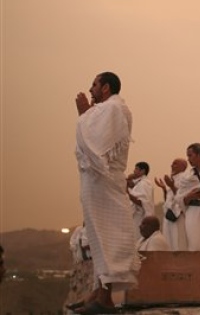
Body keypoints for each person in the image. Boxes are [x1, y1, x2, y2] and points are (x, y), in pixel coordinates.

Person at [74, 71, 140, 314]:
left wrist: (83, 115)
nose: (90, 89)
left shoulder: (112, 109)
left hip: (104, 181)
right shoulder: (107, 110)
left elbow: (95, 147)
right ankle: (98, 293)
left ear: (105, 88)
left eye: (94, 85)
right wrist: (88, 115)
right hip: (98, 183)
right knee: (98, 237)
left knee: (106, 236)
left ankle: (105, 300)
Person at [155, 158, 188, 251]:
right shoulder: (173, 179)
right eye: (172, 163)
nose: (172, 166)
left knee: (179, 244)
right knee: (169, 244)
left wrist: (172, 186)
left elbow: (182, 197)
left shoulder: (185, 178)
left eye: (175, 164)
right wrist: (164, 189)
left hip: (178, 216)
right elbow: (168, 200)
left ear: (183, 167)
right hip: (169, 216)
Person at [127, 161, 155, 235]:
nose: (134, 171)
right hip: (134, 217)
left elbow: (143, 202)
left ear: (142, 171)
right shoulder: (138, 183)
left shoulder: (145, 183)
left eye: (136, 169)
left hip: (140, 217)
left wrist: (128, 194)